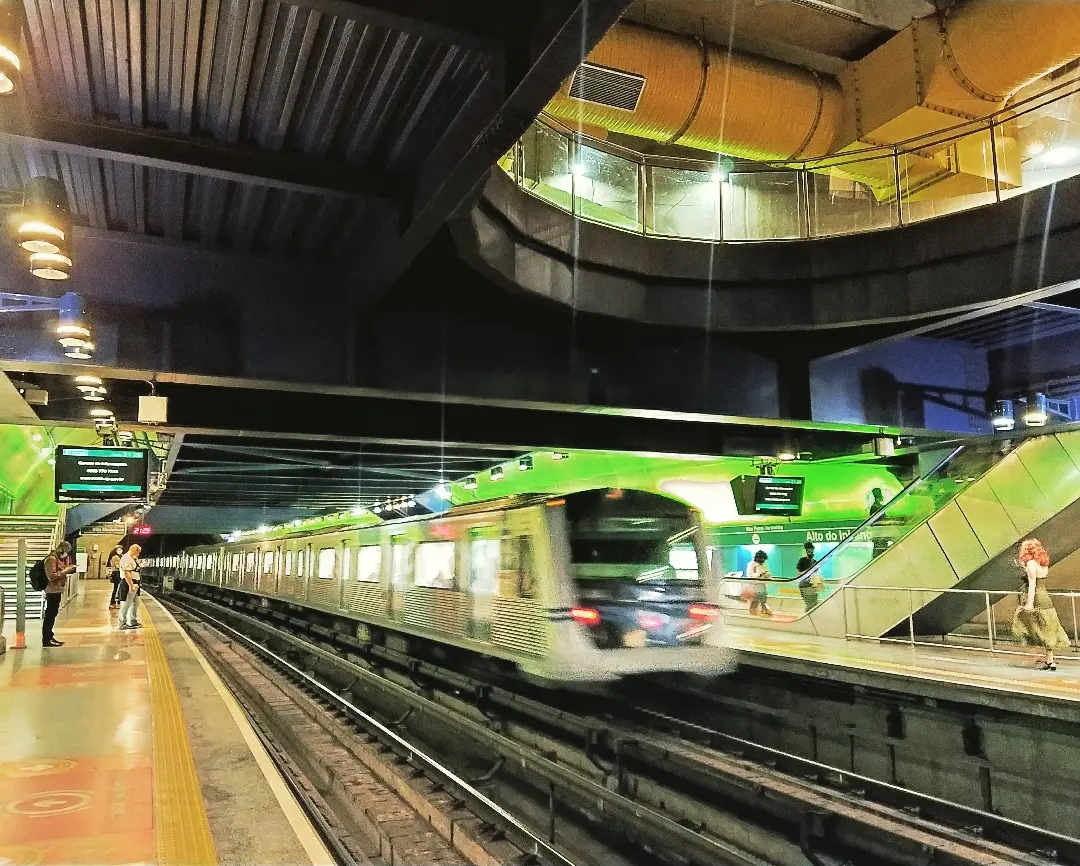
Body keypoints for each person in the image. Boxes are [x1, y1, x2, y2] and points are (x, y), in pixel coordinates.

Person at [1013, 538, 1070, 671]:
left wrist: (1029, 603)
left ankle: (1036, 656)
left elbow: (1032, 584)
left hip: (1036, 598)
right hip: (1045, 598)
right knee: (1047, 628)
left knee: (1024, 624)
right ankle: (1050, 661)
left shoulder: (1031, 564)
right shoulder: (1043, 565)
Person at [42, 541, 76, 647]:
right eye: (66, 552)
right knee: (50, 615)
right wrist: (66, 570)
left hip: (56, 590)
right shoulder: (51, 559)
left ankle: (49, 636)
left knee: (52, 614)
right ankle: (46, 639)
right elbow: (52, 576)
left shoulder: (56, 559)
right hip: (52, 590)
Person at [118, 544, 143, 630]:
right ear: (135, 550)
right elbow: (127, 573)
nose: (138, 554)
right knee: (126, 604)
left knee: (136, 602)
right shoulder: (126, 558)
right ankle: (122, 623)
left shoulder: (131, 558)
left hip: (134, 583)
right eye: (138, 552)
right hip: (128, 583)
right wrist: (131, 585)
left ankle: (133, 621)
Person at [797, 542, 822, 612]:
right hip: (805, 586)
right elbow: (798, 573)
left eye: (811, 551)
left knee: (814, 604)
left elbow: (817, 573)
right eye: (809, 551)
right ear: (806, 551)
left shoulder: (814, 561)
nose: (810, 553)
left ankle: (809, 615)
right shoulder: (802, 560)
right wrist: (808, 572)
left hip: (812, 586)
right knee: (810, 604)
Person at [746, 550, 772, 616]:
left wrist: (767, 574)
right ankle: (753, 614)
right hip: (754, 585)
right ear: (757, 558)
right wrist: (759, 575)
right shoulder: (751, 564)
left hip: (762, 585)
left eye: (764, 559)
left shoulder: (764, 564)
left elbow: (767, 572)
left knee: (764, 599)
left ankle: (764, 610)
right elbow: (749, 575)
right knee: (755, 600)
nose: (762, 560)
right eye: (761, 559)